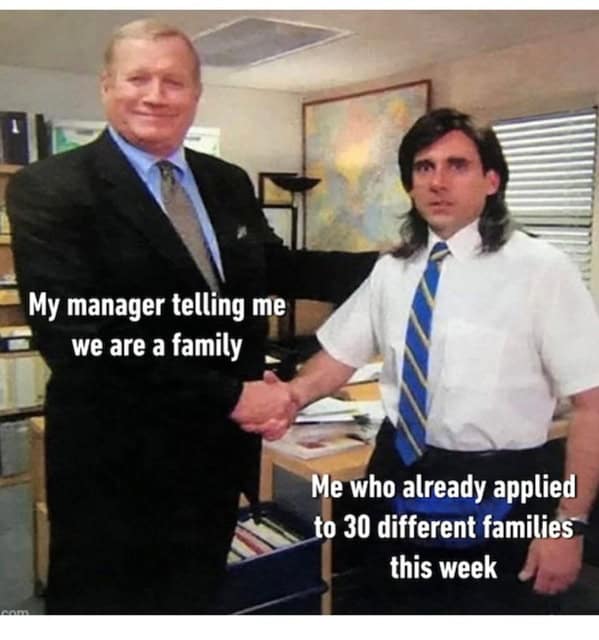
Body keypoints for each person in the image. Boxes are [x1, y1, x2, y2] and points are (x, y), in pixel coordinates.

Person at [6, 19, 376, 614]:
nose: (155, 95)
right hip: (116, 466)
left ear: (196, 93)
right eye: (138, 78)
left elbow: (273, 267)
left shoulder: (225, 181)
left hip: (213, 461)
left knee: (194, 601)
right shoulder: (50, 188)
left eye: (174, 81)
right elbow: (78, 339)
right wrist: (232, 395)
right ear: (106, 86)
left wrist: (395, 264)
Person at [281, 108, 599, 613]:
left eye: (458, 165)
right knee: (392, 608)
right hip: (398, 470)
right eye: (424, 167)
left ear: (492, 180)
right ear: (410, 184)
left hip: (500, 486)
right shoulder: (393, 269)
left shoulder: (542, 269)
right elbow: (340, 355)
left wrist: (569, 524)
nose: (438, 181)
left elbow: (591, 404)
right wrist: (290, 395)